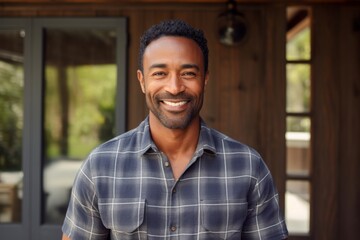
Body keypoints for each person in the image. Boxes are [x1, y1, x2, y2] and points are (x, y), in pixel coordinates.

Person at [62, 19, 288, 240]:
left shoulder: (248, 167)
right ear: (142, 81)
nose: (174, 87)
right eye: (160, 73)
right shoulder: (100, 166)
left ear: (205, 79)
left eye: (188, 73)